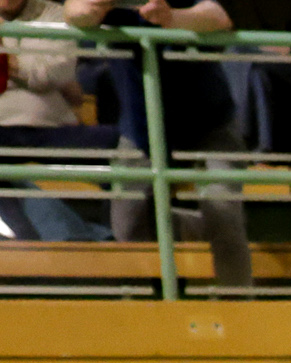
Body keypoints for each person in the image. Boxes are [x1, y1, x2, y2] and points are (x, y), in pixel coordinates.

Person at [62, 0, 250, 288]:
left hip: (210, 120)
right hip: (142, 127)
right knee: (126, 224)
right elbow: (75, 12)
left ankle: (239, 311)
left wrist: (172, 16)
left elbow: (218, 16)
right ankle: (153, 301)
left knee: (224, 215)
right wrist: (92, 10)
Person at [0, 0, 114, 242]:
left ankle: (105, 236)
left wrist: (6, 61)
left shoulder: (55, 15)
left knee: (124, 144)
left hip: (51, 128)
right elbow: (56, 80)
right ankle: (76, 237)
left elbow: (55, 73)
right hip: (5, 130)